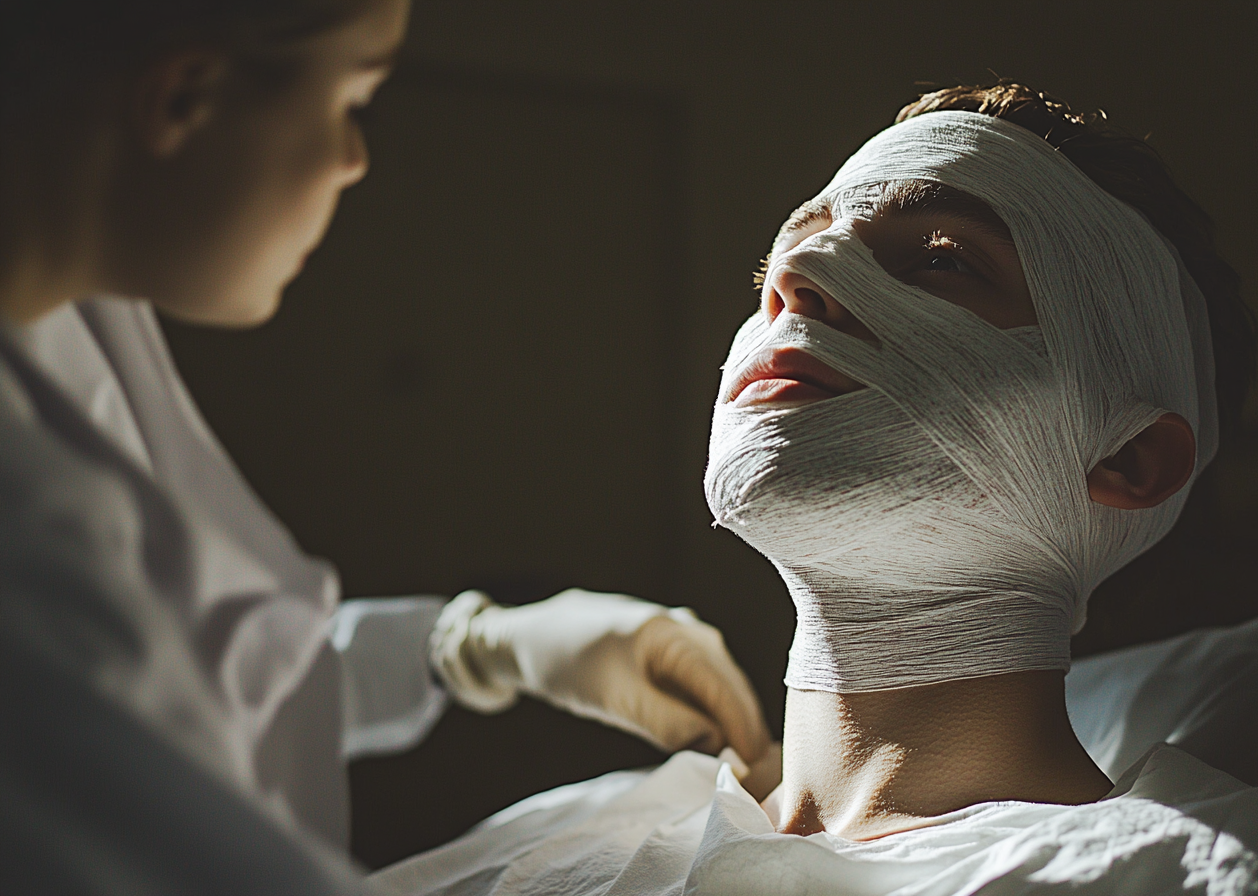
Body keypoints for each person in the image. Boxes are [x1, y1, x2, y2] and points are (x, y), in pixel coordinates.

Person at [366, 83, 1258, 896]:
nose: (795, 276)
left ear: (1126, 461)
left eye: (940, 261)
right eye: (779, 261)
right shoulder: (553, 838)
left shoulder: (1239, 868)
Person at [0, 0, 770, 891]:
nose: (355, 159)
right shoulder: (26, 510)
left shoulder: (71, 309)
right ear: (183, 95)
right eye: (352, 102)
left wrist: (468, 647)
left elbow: (191, 663)